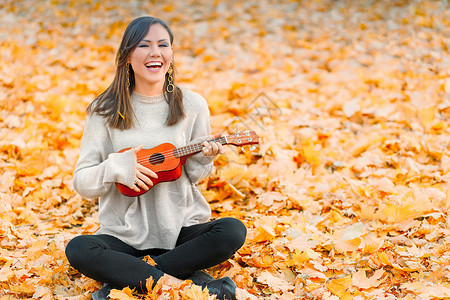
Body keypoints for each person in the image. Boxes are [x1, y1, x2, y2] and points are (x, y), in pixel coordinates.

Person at [65, 16, 247, 300]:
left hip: (181, 235)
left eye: (163, 45)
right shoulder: (103, 111)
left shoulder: (193, 105)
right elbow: (82, 182)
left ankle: (126, 282)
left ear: (171, 54)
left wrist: (204, 158)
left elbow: (198, 177)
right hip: (123, 238)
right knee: (78, 248)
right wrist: (116, 167)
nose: (155, 52)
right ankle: (191, 287)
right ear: (127, 55)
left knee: (232, 230)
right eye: (144, 45)